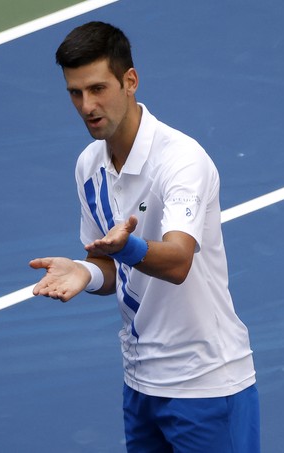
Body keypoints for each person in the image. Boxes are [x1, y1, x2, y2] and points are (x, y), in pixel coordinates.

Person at [30, 22, 260, 452]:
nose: (87, 105)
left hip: (206, 384)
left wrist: (126, 248)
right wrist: (84, 272)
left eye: (98, 88)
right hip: (141, 382)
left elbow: (175, 261)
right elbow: (112, 266)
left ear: (130, 81)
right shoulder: (88, 166)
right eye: (75, 93)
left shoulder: (181, 162)